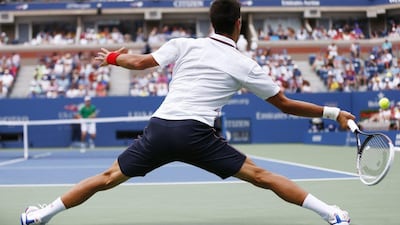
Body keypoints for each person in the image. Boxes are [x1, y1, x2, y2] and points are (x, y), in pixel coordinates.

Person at [20, 1, 355, 225]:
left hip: (161, 128)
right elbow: (285, 104)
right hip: (196, 134)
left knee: (106, 178)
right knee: (262, 177)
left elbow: (137, 63)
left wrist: (112, 59)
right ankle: (332, 215)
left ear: (211, 22)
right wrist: (333, 111)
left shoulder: (184, 44)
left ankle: (41, 216)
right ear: (238, 24)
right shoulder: (245, 64)